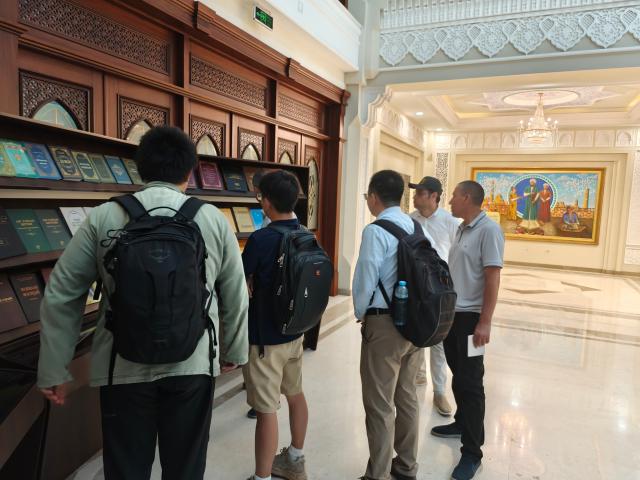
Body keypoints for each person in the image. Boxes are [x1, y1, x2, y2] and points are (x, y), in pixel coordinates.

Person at [37, 126, 249, 479]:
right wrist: (234, 350)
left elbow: (62, 292)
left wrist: (54, 368)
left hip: (121, 365)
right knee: (185, 467)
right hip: (193, 363)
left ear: (140, 168)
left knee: (126, 468)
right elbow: (235, 292)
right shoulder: (212, 218)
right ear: (190, 170)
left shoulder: (104, 216)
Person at [431, 180, 504, 480]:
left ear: (467, 197)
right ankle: (462, 422)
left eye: (453, 196)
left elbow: (493, 278)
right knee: (458, 373)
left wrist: (485, 321)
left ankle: (472, 453)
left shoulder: (489, 231)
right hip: (453, 316)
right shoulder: (463, 228)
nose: (449, 200)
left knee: (471, 382)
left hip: (472, 320)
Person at [353, 170, 423, 480]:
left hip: (385, 325)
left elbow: (365, 276)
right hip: (415, 324)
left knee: (379, 403)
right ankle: (406, 466)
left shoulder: (375, 230)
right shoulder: (414, 225)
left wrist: (360, 312)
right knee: (407, 397)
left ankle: (377, 474)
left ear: (374, 196)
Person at [242, 170, 309, 480]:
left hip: (265, 338)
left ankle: (262, 477)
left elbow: (241, 277)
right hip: (295, 331)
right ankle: (295, 458)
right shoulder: (305, 234)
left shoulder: (261, 238)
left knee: (266, 409)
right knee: (295, 394)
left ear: (266, 202)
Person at [408, 176, 460, 417]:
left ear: (433, 196)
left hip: (440, 290)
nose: (414, 197)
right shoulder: (410, 220)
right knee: (414, 334)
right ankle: (417, 376)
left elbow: (458, 257)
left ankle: (439, 391)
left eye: (419, 193)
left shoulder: (450, 222)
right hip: (416, 287)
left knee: (438, 341)